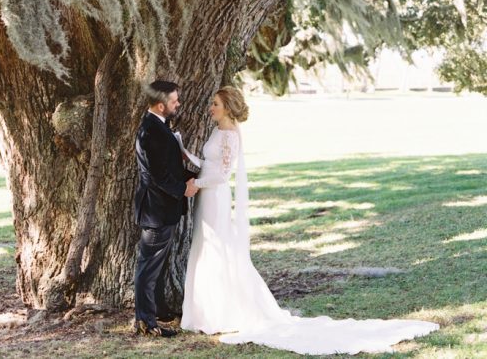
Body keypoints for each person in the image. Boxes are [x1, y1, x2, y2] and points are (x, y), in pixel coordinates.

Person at [180, 85, 439, 353]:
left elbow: (221, 176)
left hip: (215, 196)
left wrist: (196, 183)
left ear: (228, 108)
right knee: (205, 247)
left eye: (216, 105)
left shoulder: (231, 135)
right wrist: (185, 154)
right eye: (212, 104)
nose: (211, 108)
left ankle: (221, 312)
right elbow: (208, 163)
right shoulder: (217, 130)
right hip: (205, 196)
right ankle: (206, 310)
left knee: (219, 249)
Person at [131, 80, 198, 338]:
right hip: (156, 211)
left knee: (156, 267)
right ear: (161, 105)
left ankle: (159, 310)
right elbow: (158, 176)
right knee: (148, 268)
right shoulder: (151, 131)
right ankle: (147, 323)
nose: (178, 104)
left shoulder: (159, 126)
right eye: (174, 101)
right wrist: (183, 189)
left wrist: (198, 172)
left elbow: (168, 167)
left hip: (162, 209)